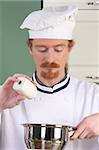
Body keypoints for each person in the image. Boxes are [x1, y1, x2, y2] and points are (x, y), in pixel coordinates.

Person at [0, 5, 99, 150]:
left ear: (69, 48)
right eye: (42, 49)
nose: (50, 58)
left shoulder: (93, 96)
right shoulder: (9, 96)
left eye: (58, 49)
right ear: (30, 48)